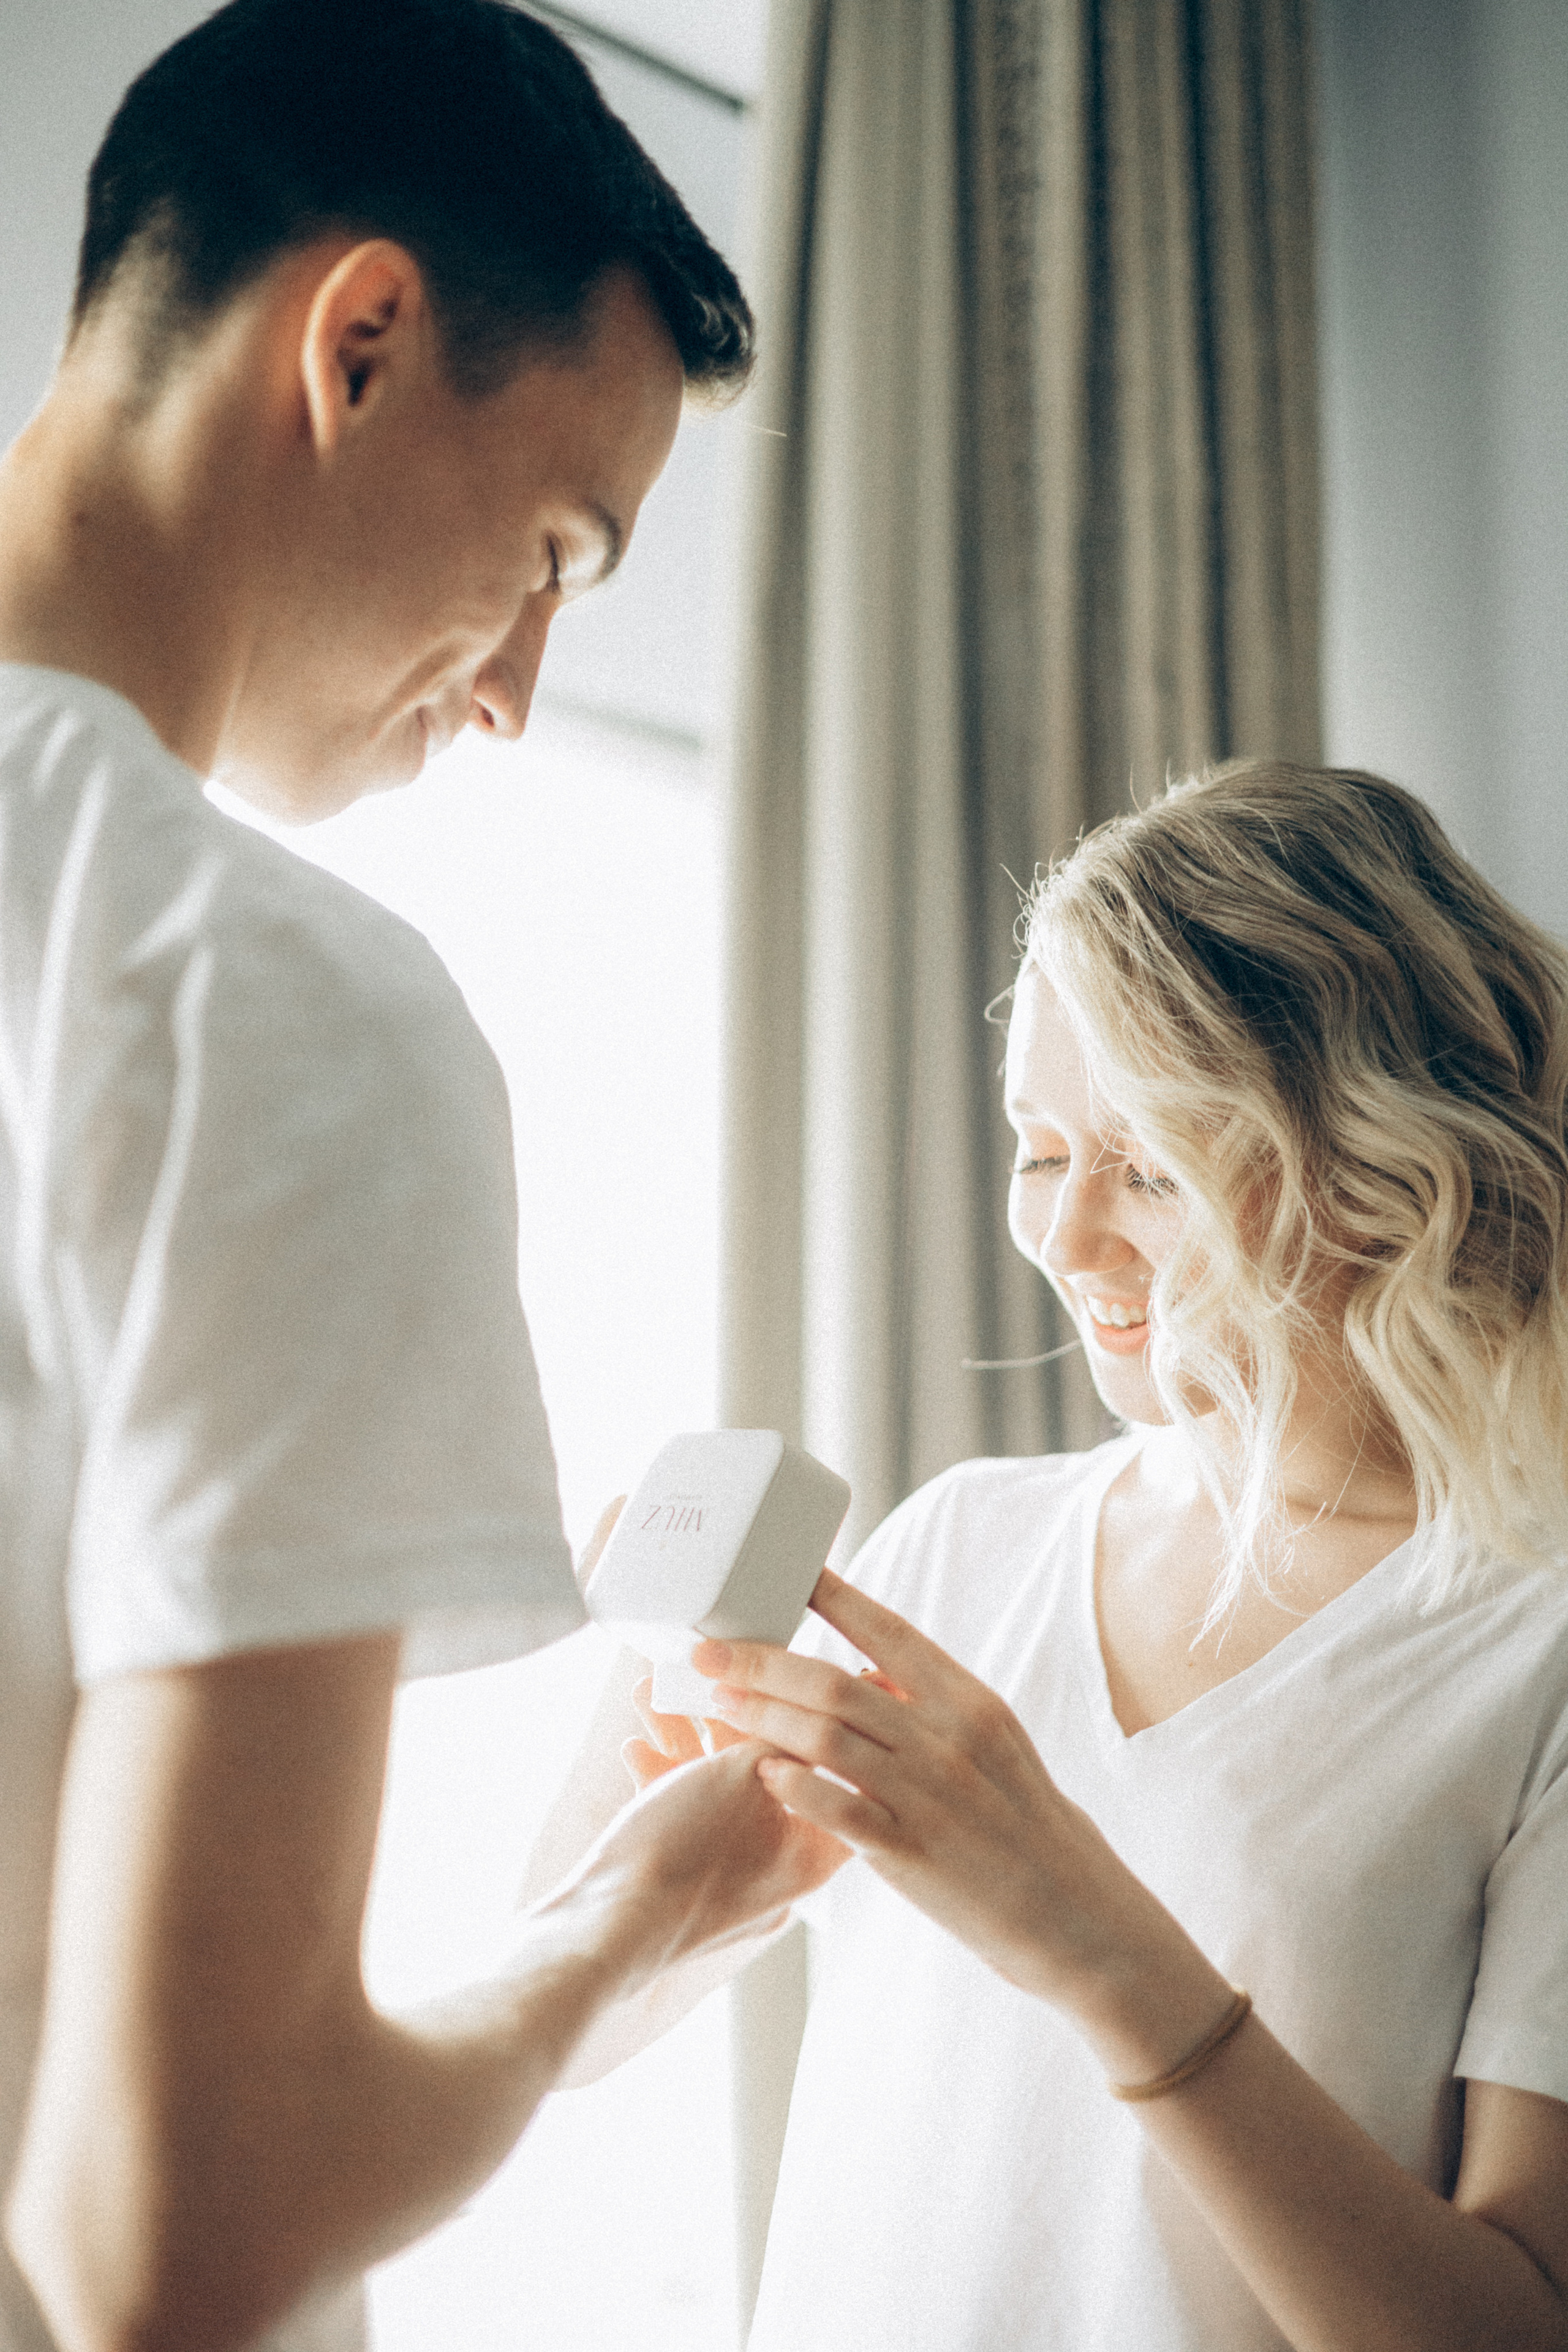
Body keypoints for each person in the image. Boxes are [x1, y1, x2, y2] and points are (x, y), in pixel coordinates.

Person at [0, 6, 836, 2350]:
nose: (515, 693)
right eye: (560, 549)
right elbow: (172, 2236)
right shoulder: (257, 993)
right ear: (355, 342)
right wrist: (637, 1920)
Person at [539, 761, 1568, 2351]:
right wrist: (642, 1717)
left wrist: (1093, 1941)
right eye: (1038, 1149)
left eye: (1149, 1168)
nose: (1066, 1241)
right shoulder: (958, 1543)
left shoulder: (1532, 1649)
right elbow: (568, 2032)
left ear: (1379, 1161)